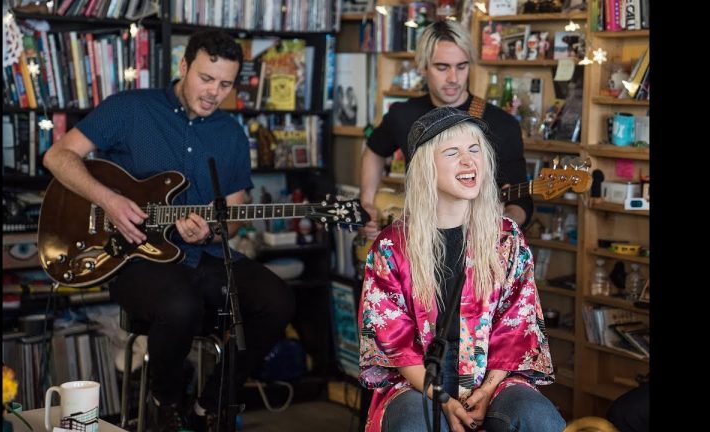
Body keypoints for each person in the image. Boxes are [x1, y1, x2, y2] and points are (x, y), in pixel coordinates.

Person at [42, 29, 295, 432]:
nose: (214, 92)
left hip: (205, 256)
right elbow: (58, 155)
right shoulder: (129, 109)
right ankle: (167, 400)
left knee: (278, 300)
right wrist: (109, 200)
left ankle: (211, 405)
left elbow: (232, 216)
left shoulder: (230, 133)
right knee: (181, 306)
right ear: (183, 67)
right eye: (205, 78)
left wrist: (211, 232)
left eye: (225, 84)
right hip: (135, 254)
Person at [358, 107, 564, 432]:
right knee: (411, 422)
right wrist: (442, 398)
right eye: (453, 152)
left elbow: (517, 325)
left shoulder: (507, 239)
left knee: (535, 416)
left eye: (475, 150)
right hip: (418, 381)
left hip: (491, 375)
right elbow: (392, 340)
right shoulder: (390, 247)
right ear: (427, 166)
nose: (468, 161)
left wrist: (488, 388)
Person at [360, 20, 532, 243]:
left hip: (474, 248)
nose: (453, 78)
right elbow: (374, 151)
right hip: (414, 243)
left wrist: (504, 223)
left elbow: (521, 200)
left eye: (461, 67)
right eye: (442, 67)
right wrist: (367, 203)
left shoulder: (501, 123)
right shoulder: (403, 114)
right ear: (423, 66)